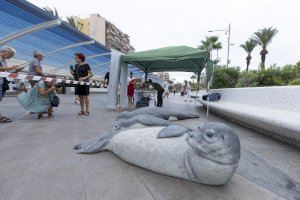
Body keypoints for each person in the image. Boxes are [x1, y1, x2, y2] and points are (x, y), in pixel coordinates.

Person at [0, 46, 19, 123]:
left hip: (2, 81)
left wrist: (14, 71)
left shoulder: (4, 61)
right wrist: (10, 68)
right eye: (10, 54)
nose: (11, 57)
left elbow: (5, 72)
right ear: (4, 52)